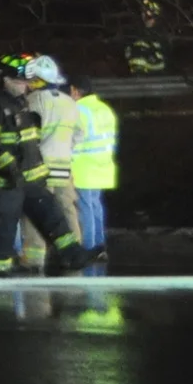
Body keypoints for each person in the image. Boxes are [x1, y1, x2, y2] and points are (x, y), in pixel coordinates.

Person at [0, 54, 84, 274]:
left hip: (30, 179)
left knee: (53, 216)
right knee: (3, 231)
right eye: (20, 81)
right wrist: (11, 169)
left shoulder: (21, 103)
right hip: (5, 183)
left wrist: (38, 171)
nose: (25, 85)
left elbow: (30, 141)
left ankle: (73, 255)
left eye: (27, 81)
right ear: (5, 80)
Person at [20, 54, 81, 268]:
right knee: (67, 211)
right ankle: (74, 254)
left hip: (40, 168)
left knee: (37, 211)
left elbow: (29, 135)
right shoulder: (70, 103)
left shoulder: (33, 101)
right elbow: (79, 134)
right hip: (64, 168)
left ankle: (34, 259)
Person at [71, 77, 118, 271]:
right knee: (96, 206)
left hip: (84, 166)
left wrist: (67, 160)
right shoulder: (104, 109)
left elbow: (76, 141)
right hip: (103, 165)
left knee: (85, 209)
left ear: (75, 91)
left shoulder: (79, 111)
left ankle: (89, 249)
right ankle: (100, 246)